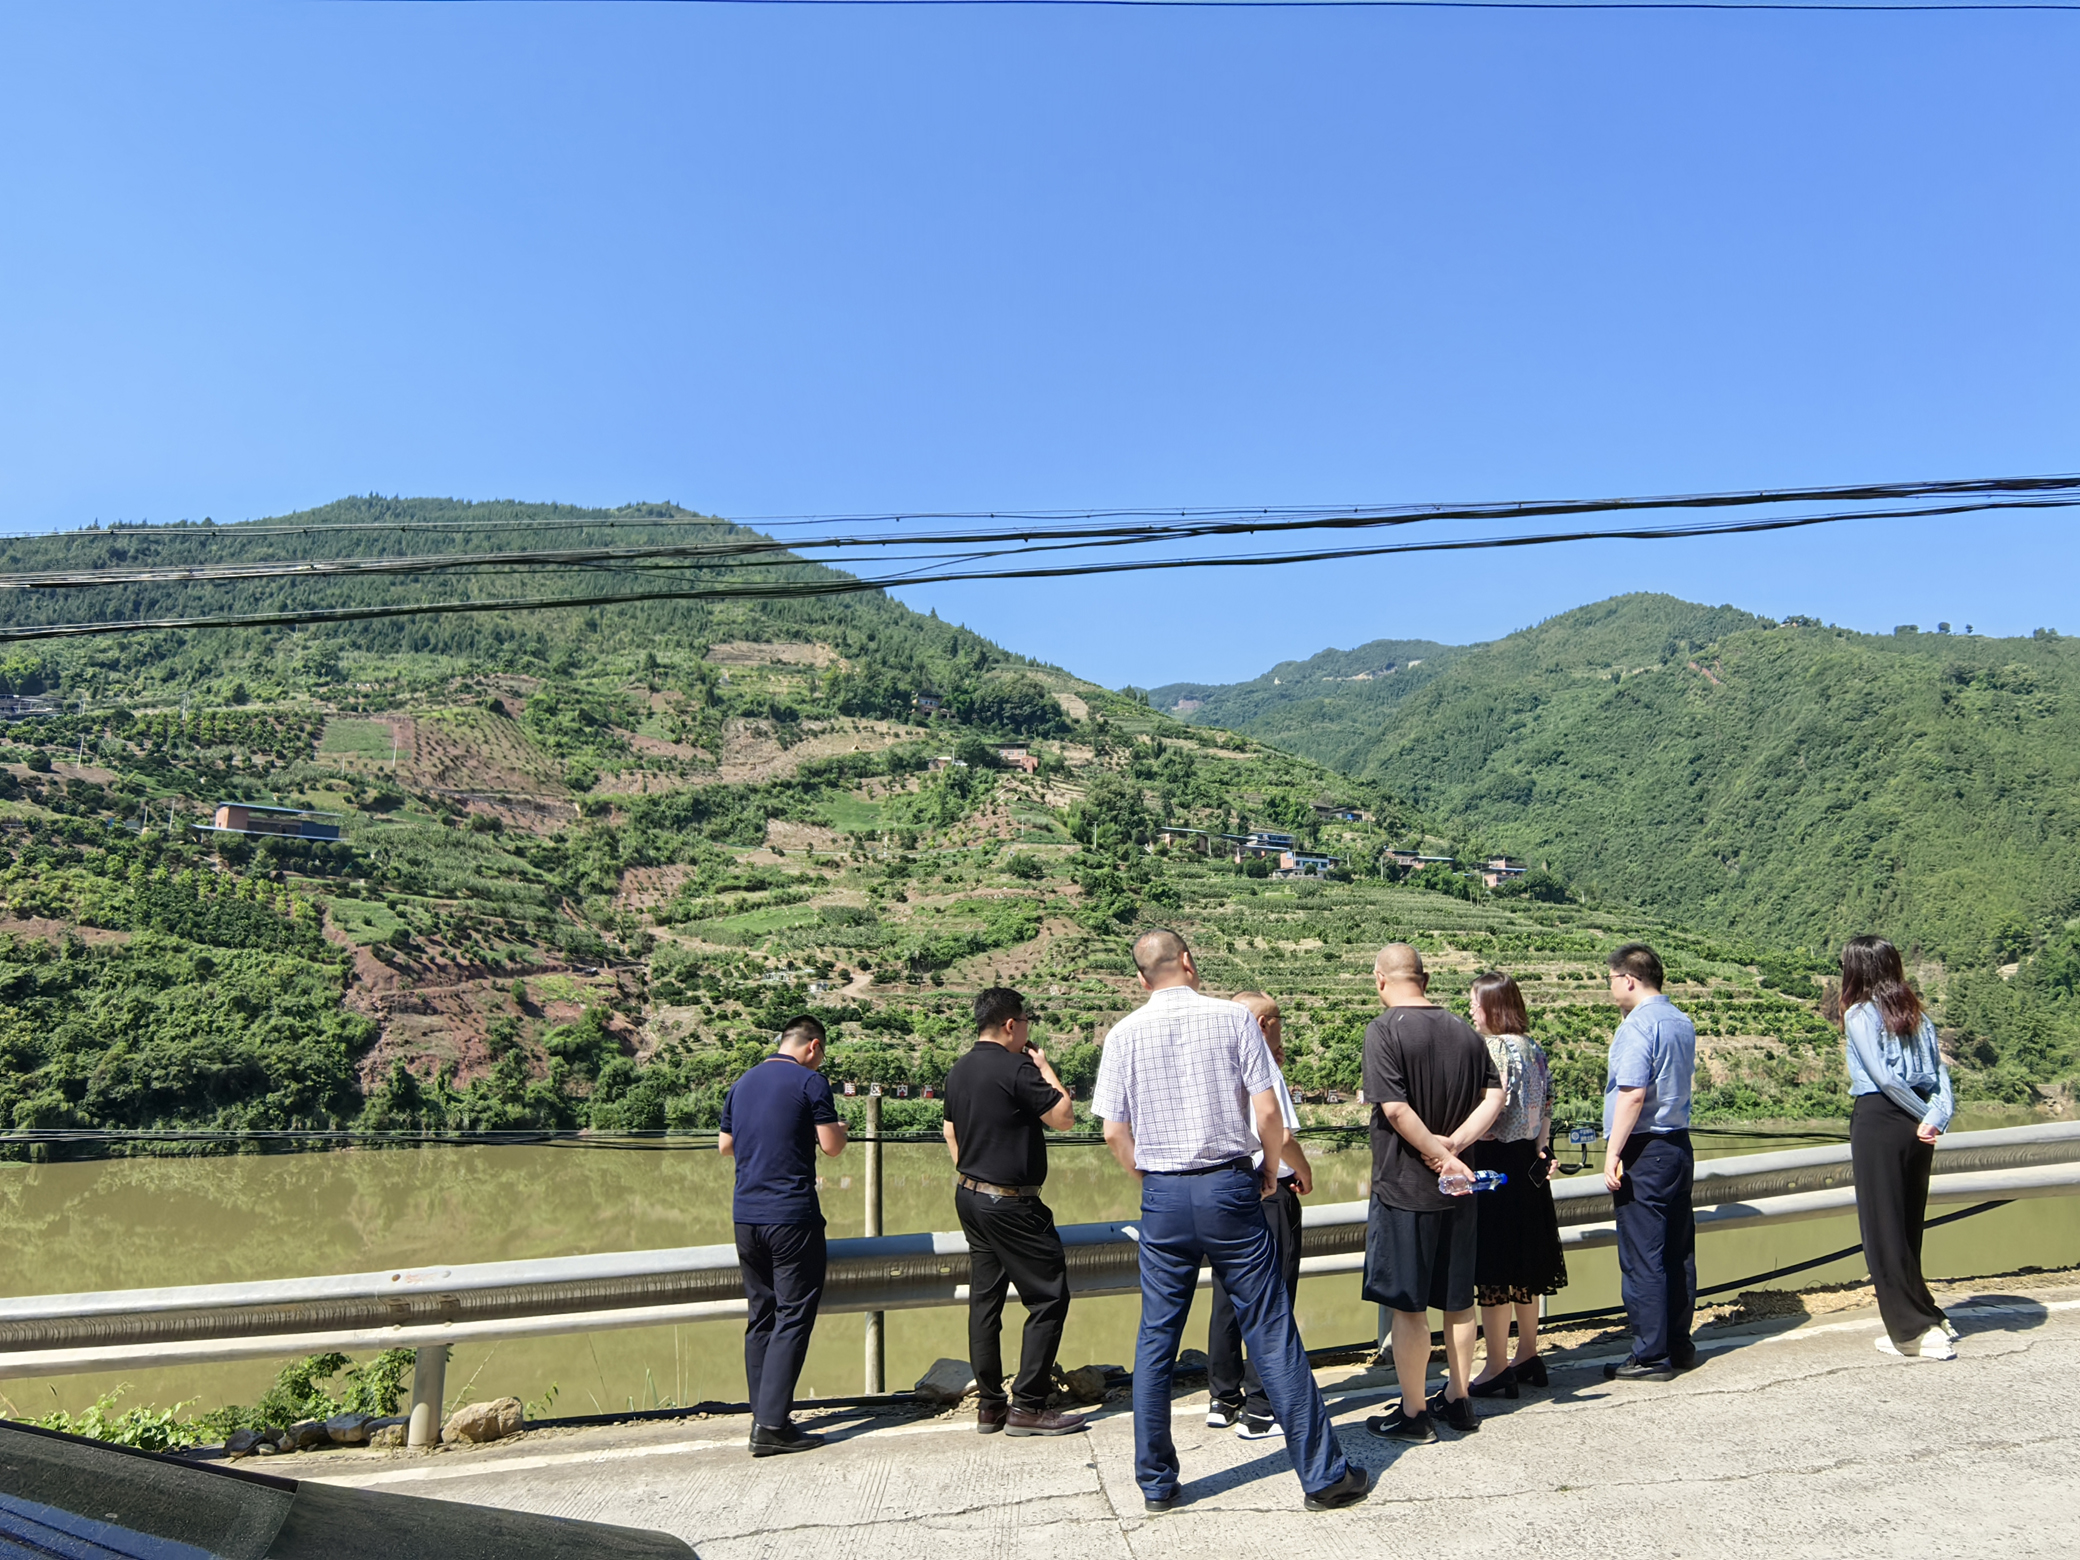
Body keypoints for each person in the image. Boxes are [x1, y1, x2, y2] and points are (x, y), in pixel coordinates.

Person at [1093, 930, 1371, 1514]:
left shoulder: (1122, 1034)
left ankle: (1156, 1484)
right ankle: (1324, 1477)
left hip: (1163, 1195)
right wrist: (1268, 1168)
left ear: (1141, 979)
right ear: (1188, 962)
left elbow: (1114, 1132)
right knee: (1270, 1326)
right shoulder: (1234, 1019)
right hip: (1230, 1187)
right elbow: (1268, 1112)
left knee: (1156, 1336)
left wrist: (1152, 1181)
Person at [1360, 944, 1503, 1443]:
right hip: (1460, 1189)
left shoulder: (1384, 1031)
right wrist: (1457, 1147)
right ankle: (1460, 1399)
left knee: (1409, 1306)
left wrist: (1439, 1154)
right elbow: (1495, 1096)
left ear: (1381, 979)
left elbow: (1396, 1110)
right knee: (1458, 1301)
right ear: (1424, 978)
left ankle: (1415, 1412)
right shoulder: (1465, 1031)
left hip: (1405, 1189)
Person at [941, 986, 1089, 1435]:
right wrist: (1045, 1068)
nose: (1027, 1030)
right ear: (1010, 1024)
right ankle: (1028, 1405)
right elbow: (1064, 1117)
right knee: (1048, 1298)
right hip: (1009, 1203)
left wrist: (976, 1173)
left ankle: (990, 1406)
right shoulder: (1018, 1067)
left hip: (970, 1196)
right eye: (1025, 1022)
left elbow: (950, 1132)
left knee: (985, 1302)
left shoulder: (959, 1069)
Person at [718, 1014, 847, 1456]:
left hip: (745, 1217)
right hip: (791, 1217)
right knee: (793, 1315)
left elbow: (725, 1146)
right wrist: (838, 1130)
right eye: (822, 1053)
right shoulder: (811, 1081)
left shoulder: (742, 1082)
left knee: (762, 1315)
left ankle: (764, 1415)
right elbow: (831, 1146)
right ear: (813, 1046)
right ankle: (772, 1426)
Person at [1839, 935, 1958, 1361]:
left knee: (1883, 1231)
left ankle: (1911, 1333)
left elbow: (1884, 1079)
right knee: (1907, 1225)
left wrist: (1925, 1114)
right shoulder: (1917, 1015)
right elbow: (1940, 1076)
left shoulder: (1859, 1014)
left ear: (1857, 970)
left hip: (1880, 1119)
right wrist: (1936, 1115)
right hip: (1918, 1127)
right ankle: (1929, 1315)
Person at [1205, 990, 1313, 1440]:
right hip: (1269, 1191)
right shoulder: (1261, 1063)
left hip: (1225, 1190)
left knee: (1228, 1295)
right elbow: (1281, 1135)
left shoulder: (1212, 1061)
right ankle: (1262, 1408)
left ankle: (1223, 1398)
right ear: (1265, 1024)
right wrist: (1303, 1171)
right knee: (1273, 1298)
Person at [1461, 971, 1567, 1397]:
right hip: (1528, 1163)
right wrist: (1541, 1146)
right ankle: (1527, 1354)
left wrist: (1455, 1142)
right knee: (1526, 1266)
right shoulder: (1533, 1047)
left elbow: (1491, 1106)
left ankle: (1496, 1365)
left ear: (1493, 1007)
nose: (1471, 1009)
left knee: (1495, 1270)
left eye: (1475, 1002)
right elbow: (1548, 1105)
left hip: (1494, 1164)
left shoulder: (1493, 1048)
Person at [1599, 943, 1699, 1383]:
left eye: (1610, 979)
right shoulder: (1680, 1020)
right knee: (1677, 1252)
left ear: (1628, 979)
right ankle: (1678, 1344)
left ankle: (1649, 1356)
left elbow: (1632, 1093)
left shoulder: (1639, 1025)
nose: (1610, 987)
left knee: (1643, 1257)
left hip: (1643, 1149)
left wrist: (1612, 1154)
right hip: (1678, 1144)